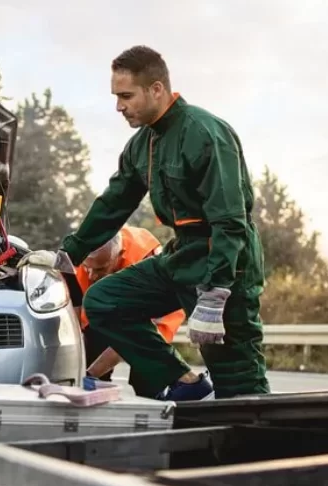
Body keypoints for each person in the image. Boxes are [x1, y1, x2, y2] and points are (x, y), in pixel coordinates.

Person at [20, 45, 270, 401]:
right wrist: (69, 254)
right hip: (182, 257)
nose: (119, 106)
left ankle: (266, 445)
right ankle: (183, 381)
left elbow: (229, 222)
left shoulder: (205, 133)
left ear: (156, 89)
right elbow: (113, 203)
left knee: (237, 379)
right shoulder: (142, 146)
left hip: (225, 262)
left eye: (126, 96)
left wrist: (215, 294)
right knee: (105, 300)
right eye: (116, 97)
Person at [74, 225, 187, 397]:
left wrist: (90, 374)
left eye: (100, 269)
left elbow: (134, 336)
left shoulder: (144, 257)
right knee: (90, 348)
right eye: (87, 268)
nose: (91, 276)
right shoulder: (74, 258)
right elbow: (74, 323)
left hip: (157, 315)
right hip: (103, 308)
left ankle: (169, 400)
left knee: (146, 373)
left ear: (118, 256)